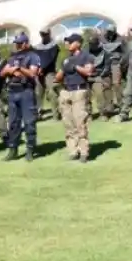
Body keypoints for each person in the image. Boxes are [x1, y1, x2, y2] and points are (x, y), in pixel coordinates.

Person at [1, 33, 41, 161]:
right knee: (13, 123)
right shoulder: (12, 57)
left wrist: (19, 69)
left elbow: (32, 73)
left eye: (20, 43)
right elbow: (3, 72)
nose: (18, 45)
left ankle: (30, 148)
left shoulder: (33, 56)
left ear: (26, 43)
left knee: (29, 122)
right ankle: (13, 149)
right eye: (17, 43)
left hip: (26, 92)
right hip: (13, 91)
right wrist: (11, 70)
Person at [56, 34, 94, 163]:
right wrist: (63, 70)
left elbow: (88, 72)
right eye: (66, 42)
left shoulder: (86, 56)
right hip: (66, 91)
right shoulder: (66, 59)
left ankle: (84, 151)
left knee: (80, 122)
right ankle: (73, 150)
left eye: (70, 42)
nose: (67, 44)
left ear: (78, 43)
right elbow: (58, 77)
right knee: (68, 122)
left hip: (79, 90)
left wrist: (76, 67)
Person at [33, 29, 60, 121]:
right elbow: (35, 59)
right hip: (38, 73)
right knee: (37, 94)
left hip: (50, 72)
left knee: (52, 92)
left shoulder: (54, 46)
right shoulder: (37, 47)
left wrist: (42, 68)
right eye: (42, 34)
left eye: (45, 34)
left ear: (49, 34)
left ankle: (56, 114)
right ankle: (37, 114)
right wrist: (37, 68)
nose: (43, 36)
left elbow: (50, 58)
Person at [101, 25, 126, 116]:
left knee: (117, 85)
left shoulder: (120, 39)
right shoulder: (102, 39)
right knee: (106, 85)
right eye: (108, 31)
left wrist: (121, 62)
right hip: (105, 65)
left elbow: (125, 52)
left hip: (116, 64)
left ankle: (121, 106)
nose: (110, 33)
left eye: (111, 31)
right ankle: (109, 107)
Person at [87, 35, 113, 119]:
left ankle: (103, 113)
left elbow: (107, 67)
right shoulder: (85, 53)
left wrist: (99, 76)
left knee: (99, 93)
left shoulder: (105, 53)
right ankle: (88, 113)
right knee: (85, 94)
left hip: (100, 75)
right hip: (87, 76)